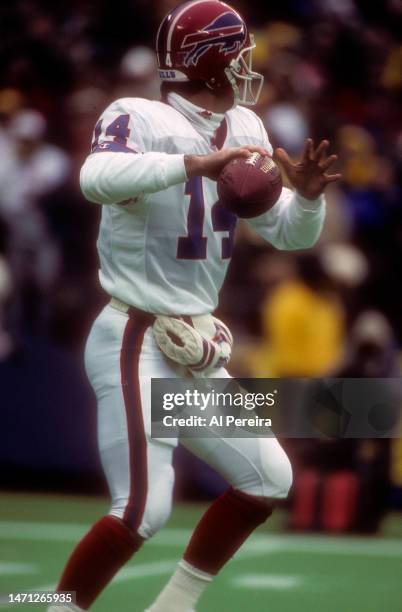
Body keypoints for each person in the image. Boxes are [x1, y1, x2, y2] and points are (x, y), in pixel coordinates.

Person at [49, 1, 340, 611]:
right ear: (209, 61)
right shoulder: (138, 115)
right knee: (141, 509)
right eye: (236, 54)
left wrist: (307, 200)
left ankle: (173, 607)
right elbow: (95, 177)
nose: (246, 66)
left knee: (268, 477)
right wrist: (195, 163)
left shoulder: (248, 129)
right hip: (135, 334)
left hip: (193, 342)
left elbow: (289, 233)